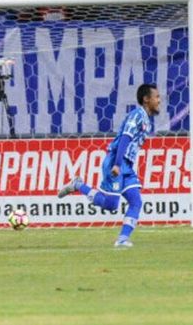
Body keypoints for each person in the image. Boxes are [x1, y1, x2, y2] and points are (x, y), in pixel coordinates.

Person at [58, 83, 161, 247]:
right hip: (116, 162)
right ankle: (78, 185)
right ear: (146, 99)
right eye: (156, 97)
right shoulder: (137, 116)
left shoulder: (146, 120)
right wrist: (117, 164)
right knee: (111, 204)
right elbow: (125, 138)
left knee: (136, 201)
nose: (159, 100)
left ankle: (122, 239)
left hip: (127, 166)